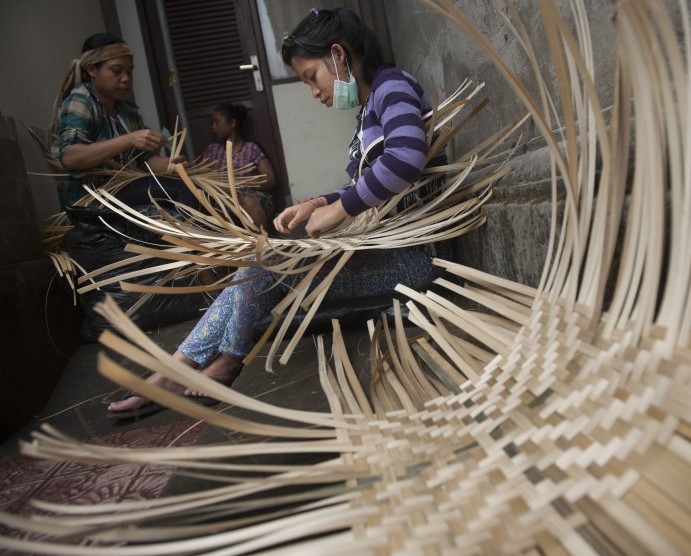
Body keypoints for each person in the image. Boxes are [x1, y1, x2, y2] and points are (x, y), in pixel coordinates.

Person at [107, 7, 445, 419]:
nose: (315, 92)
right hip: (388, 252)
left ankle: (218, 362)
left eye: (311, 78)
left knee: (266, 260)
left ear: (338, 55)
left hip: (412, 261)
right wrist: (320, 201)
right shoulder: (370, 107)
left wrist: (341, 208)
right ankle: (181, 368)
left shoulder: (392, 85)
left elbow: (407, 158)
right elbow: (371, 180)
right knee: (261, 258)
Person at [49, 33, 195, 211]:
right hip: (94, 199)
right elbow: (71, 157)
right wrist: (129, 139)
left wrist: (169, 165)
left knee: (193, 185)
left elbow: (143, 161)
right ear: (92, 70)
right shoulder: (80, 102)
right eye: (117, 71)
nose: (126, 78)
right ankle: (198, 238)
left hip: (125, 189)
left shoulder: (126, 111)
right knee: (179, 191)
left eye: (129, 71)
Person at [201, 103, 278, 232]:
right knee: (217, 207)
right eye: (212, 123)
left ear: (232, 123)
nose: (213, 127)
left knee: (249, 202)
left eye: (217, 122)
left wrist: (242, 183)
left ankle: (262, 246)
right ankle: (234, 250)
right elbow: (200, 177)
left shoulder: (251, 148)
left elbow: (270, 179)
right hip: (221, 198)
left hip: (249, 195)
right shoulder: (212, 150)